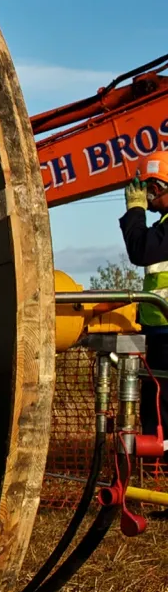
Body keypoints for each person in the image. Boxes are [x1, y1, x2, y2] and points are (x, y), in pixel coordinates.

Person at [121, 157, 168, 435]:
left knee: (162, 399)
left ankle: (160, 462)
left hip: (166, 330)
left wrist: (135, 211)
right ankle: (156, 463)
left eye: (152, 186)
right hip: (158, 329)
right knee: (156, 397)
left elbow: (140, 251)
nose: (147, 194)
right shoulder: (163, 225)